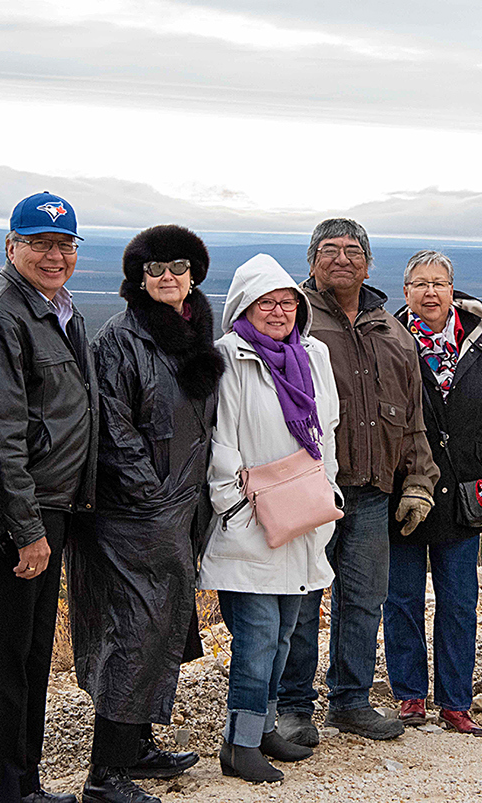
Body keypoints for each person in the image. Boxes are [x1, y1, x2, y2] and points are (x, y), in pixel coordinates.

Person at [66, 225, 223, 803]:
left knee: (161, 627)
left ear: (194, 274)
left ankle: (135, 749)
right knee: (134, 632)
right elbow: (113, 430)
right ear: (137, 277)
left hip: (178, 508)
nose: (166, 277)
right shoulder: (121, 339)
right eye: (153, 269)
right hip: (134, 514)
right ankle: (105, 775)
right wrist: (153, 499)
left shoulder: (192, 332)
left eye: (177, 267)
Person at [275, 218, 439, 745]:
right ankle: (295, 706)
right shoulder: (291, 319)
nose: (342, 259)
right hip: (308, 489)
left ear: (369, 263)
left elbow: (411, 417)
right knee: (302, 600)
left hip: (372, 492)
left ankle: (350, 700)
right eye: (329, 250)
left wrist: (418, 481)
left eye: (353, 250)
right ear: (311, 261)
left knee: (365, 599)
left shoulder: (393, 332)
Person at [0, 192, 96, 803]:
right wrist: (26, 528)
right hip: (6, 518)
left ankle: (23, 785)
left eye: (64, 245)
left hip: (46, 509)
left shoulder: (57, 310)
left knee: (30, 655)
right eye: (39, 243)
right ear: (11, 246)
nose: (54, 255)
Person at [199, 253, 341, 782]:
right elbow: (221, 439)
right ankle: (238, 745)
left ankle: (260, 731)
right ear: (244, 307)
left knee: (284, 634)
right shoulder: (230, 357)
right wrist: (235, 508)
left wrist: (329, 494)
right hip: (252, 517)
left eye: (286, 302)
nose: (279, 311)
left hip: (303, 514)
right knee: (256, 636)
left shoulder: (313, 354)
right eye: (266, 303)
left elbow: (328, 427)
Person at [382, 250, 482, 737]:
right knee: (401, 599)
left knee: (460, 600)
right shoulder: (388, 339)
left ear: (452, 289)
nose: (429, 292)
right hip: (405, 490)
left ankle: (456, 702)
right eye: (419, 283)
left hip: (465, 490)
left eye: (439, 283)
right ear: (405, 292)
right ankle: (409, 697)